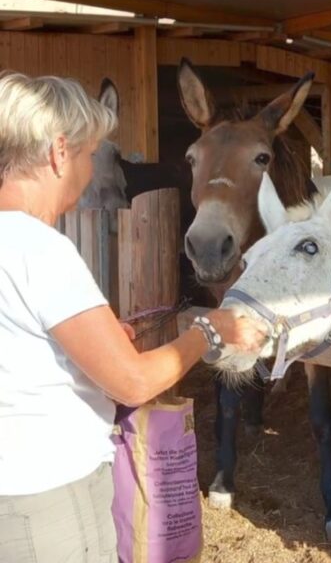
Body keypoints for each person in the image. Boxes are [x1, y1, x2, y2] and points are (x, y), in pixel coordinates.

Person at [0, 71, 265, 562]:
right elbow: (134, 384)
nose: (89, 173)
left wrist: (89, 342)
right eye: (87, 155)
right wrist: (211, 330)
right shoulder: (42, 251)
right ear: (59, 152)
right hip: (47, 500)